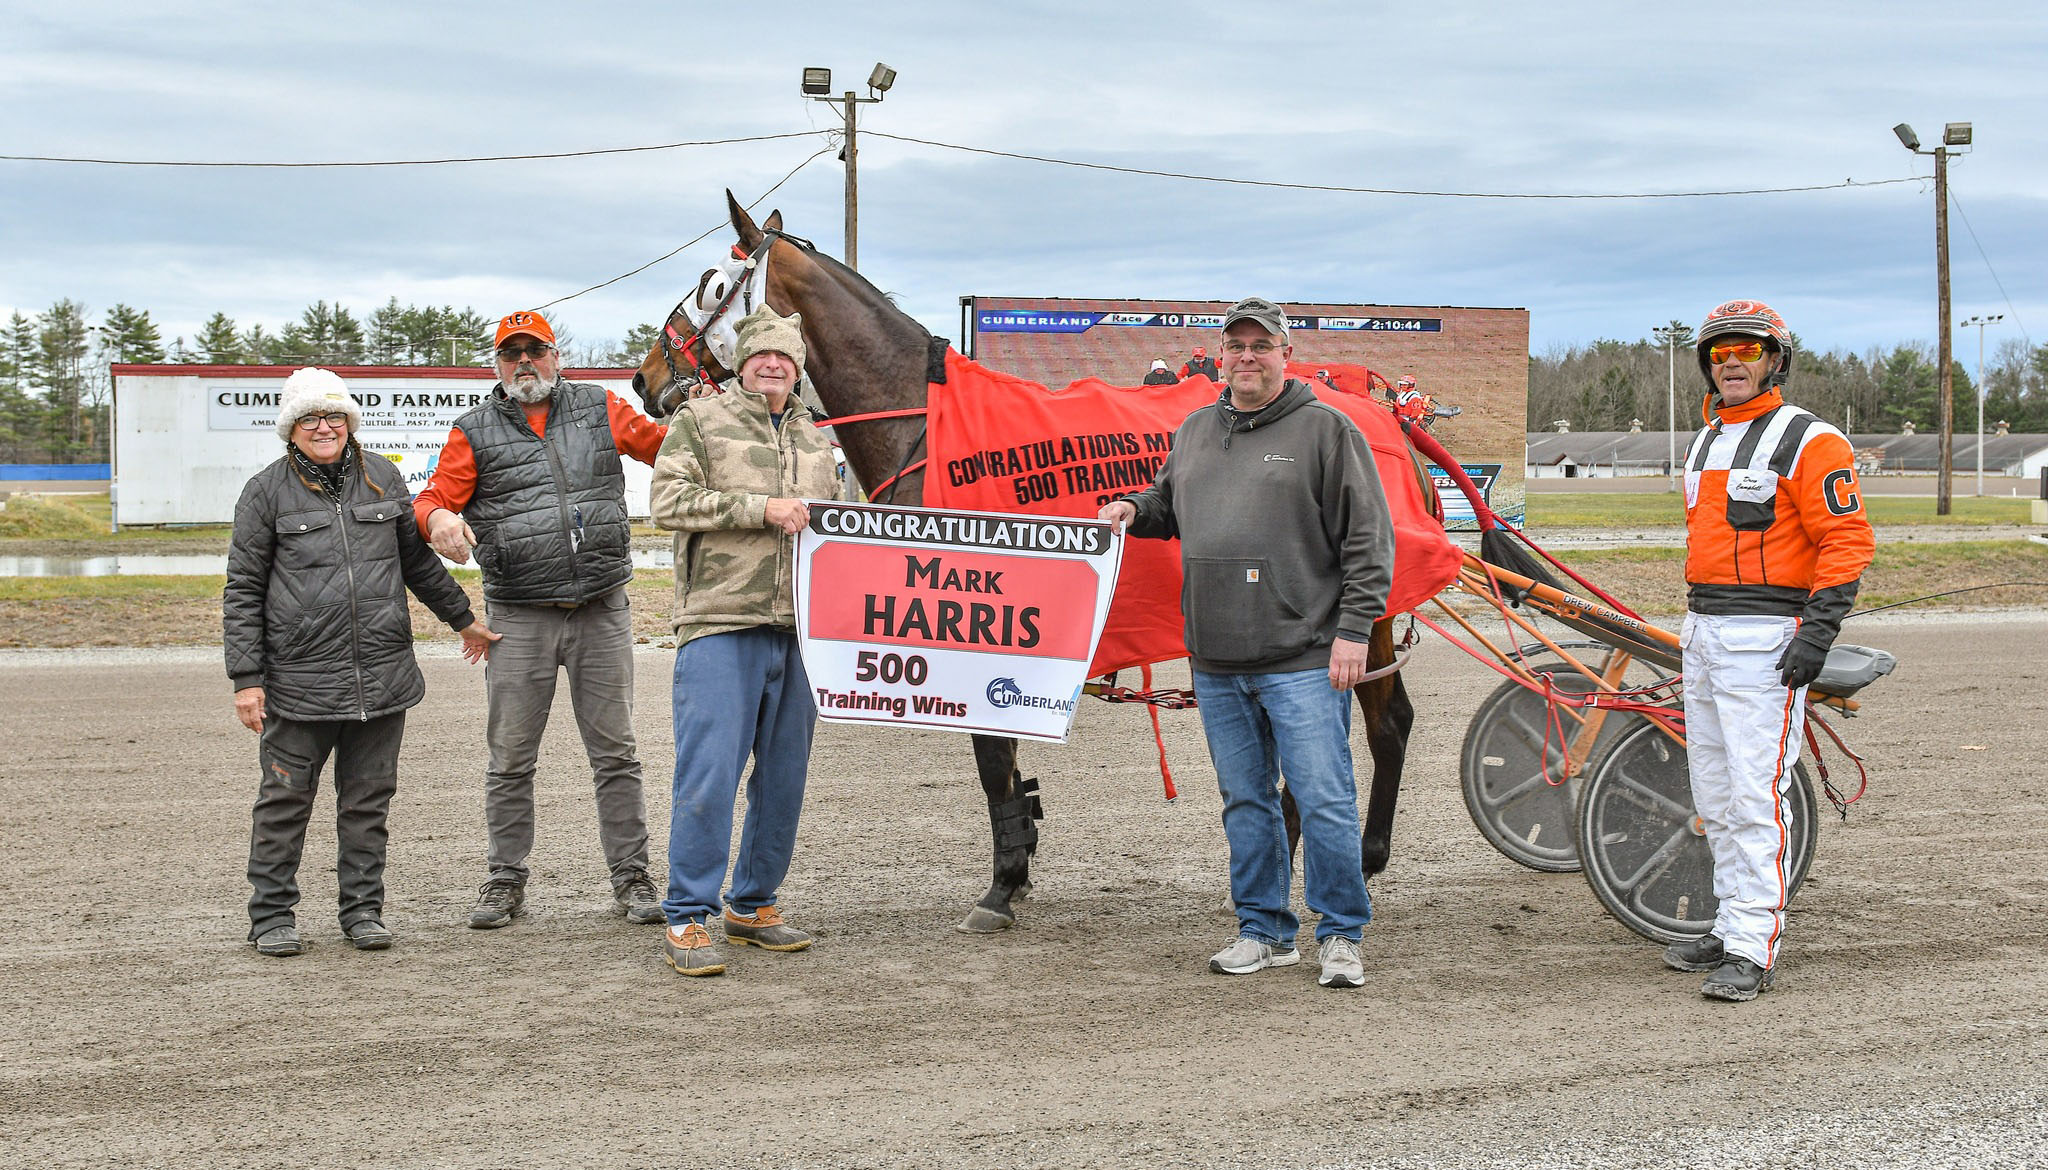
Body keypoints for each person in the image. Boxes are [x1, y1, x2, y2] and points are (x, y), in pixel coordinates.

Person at [1100, 297, 1395, 989]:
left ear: (1284, 355)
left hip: (1303, 655)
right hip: (1218, 659)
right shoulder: (1198, 430)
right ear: (1221, 356)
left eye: (1261, 346)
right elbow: (1167, 504)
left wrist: (1354, 632)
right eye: (1236, 346)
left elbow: (1367, 541)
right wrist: (1131, 508)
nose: (1247, 357)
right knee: (1247, 802)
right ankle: (1263, 931)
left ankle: (1342, 935)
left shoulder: (1327, 430)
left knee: (1323, 797)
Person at [226, 368, 498, 957]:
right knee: (284, 802)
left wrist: (463, 618)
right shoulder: (265, 491)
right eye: (308, 418)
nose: (323, 427)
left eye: (332, 417)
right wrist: (247, 680)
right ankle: (271, 917)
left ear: (349, 422)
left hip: (382, 674)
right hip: (299, 680)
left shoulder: (383, 478)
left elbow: (416, 563)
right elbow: (243, 587)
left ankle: (363, 912)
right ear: (291, 429)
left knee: (368, 802)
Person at [414, 310, 669, 929]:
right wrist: (437, 521)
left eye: (536, 351)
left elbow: (666, 449)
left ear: (557, 357)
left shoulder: (600, 407)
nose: (524, 362)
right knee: (510, 756)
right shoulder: (472, 429)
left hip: (601, 607)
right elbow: (430, 499)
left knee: (615, 752)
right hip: (518, 614)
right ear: (497, 366)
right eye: (511, 354)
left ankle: (632, 878)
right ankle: (505, 879)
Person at [1667, 299, 1873, 1001]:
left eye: (1747, 351)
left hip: (1766, 640)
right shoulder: (1704, 440)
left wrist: (1818, 632)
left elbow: (1847, 540)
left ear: (1775, 359)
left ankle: (1754, 947)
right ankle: (1730, 926)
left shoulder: (1812, 440)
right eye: (1719, 353)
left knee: (1756, 796)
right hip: (1702, 631)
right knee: (1714, 795)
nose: (1732, 363)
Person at [648, 305, 842, 977]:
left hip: (800, 634)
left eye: (784, 357)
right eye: (761, 354)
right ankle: (687, 914)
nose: (772, 365)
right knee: (710, 774)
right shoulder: (699, 421)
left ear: (797, 367)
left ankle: (753, 903)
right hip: (720, 621)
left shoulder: (817, 440)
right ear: (739, 361)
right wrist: (760, 510)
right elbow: (665, 502)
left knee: (783, 778)